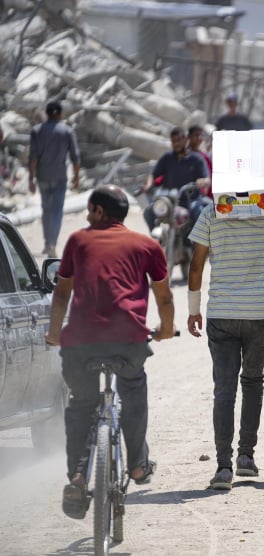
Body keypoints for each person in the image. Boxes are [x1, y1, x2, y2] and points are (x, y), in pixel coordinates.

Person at [45, 185, 176, 519]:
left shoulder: (78, 241)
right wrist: (164, 330)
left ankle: (77, 475)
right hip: (128, 340)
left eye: (90, 210)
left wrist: (53, 333)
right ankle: (136, 465)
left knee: (80, 406)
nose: (88, 217)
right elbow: (164, 298)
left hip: (81, 342)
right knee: (133, 395)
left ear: (100, 211)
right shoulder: (147, 245)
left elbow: (61, 295)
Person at [187, 145, 264, 490]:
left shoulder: (212, 212)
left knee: (224, 390)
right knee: (252, 382)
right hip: (258, 314)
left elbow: (195, 266)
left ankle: (223, 468)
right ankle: (246, 458)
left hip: (222, 313)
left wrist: (194, 309)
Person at [28, 100, 81, 258]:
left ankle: (47, 242)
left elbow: (33, 157)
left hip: (42, 176)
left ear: (47, 113)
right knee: (57, 210)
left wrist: (31, 178)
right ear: (59, 113)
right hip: (59, 176)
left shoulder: (37, 131)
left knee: (46, 209)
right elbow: (75, 157)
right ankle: (52, 243)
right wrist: (76, 177)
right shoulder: (67, 131)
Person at [141, 127, 209, 231]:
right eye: (173, 141)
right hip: (170, 200)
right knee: (149, 212)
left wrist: (203, 181)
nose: (176, 144)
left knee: (199, 213)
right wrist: (148, 184)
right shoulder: (167, 157)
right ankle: (157, 240)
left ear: (186, 139)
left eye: (179, 140)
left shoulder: (197, 159)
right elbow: (153, 175)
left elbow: (207, 178)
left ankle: (194, 243)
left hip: (190, 200)